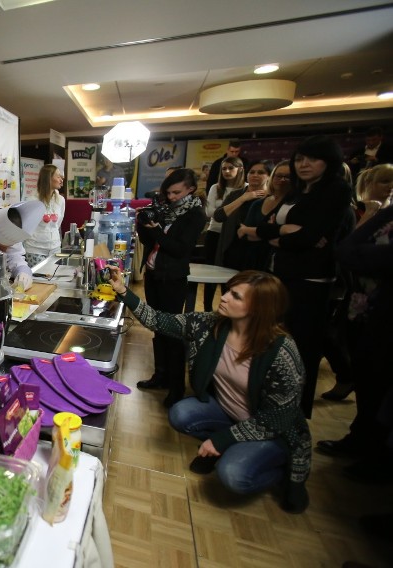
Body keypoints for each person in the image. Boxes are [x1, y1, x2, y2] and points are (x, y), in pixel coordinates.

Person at [107, 267, 311, 513]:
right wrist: (122, 291)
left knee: (233, 475)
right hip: (229, 413)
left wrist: (223, 439)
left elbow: (279, 417)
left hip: (272, 430)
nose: (223, 297)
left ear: (260, 309)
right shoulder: (210, 324)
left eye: (236, 296)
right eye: (228, 292)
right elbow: (161, 321)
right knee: (181, 414)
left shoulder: (281, 351)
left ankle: (282, 471)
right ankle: (230, 444)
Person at [252, 135, 353, 418]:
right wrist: (284, 232)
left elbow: (309, 238)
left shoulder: (336, 190)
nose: (304, 164)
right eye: (299, 159)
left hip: (311, 282)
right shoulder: (297, 191)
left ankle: (295, 415)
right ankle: (267, 406)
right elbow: (264, 228)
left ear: (328, 162)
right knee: (271, 344)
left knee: (301, 350)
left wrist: (282, 234)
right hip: (280, 274)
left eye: (312, 159)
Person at [316, 205, 393, 486]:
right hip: (363, 309)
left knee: (383, 389)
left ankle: (379, 457)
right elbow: (347, 252)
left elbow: (352, 252)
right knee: (368, 381)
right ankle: (361, 440)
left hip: (383, 316)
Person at [134, 168, 207, 407]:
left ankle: (177, 388)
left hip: (173, 279)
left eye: (176, 192)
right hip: (154, 275)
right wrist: (144, 226)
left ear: (190, 190)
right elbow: (150, 242)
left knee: (173, 333)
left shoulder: (195, 214)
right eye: (168, 192)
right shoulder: (165, 210)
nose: (172, 196)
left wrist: (156, 230)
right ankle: (160, 376)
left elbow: (179, 249)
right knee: (157, 328)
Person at [201, 156, 246, 308]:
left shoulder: (245, 189)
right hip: (214, 232)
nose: (227, 171)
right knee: (210, 273)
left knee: (229, 274)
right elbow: (211, 212)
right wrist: (227, 211)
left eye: (230, 168)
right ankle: (207, 307)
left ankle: (226, 305)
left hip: (233, 235)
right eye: (224, 168)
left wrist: (224, 211)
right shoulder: (216, 187)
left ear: (240, 169)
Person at [213, 160, 270, 271]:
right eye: (252, 172)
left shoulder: (271, 197)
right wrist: (243, 198)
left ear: (269, 176)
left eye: (260, 172)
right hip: (232, 246)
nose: (255, 175)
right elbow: (218, 216)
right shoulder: (236, 194)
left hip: (258, 250)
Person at [238, 160, 291, 271]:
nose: (282, 180)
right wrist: (270, 232)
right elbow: (243, 234)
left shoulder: (294, 204)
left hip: (281, 262)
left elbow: (292, 237)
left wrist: (249, 230)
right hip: (253, 259)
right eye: (279, 176)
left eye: (288, 177)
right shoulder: (258, 203)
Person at [23, 165, 65, 267]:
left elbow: (58, 224)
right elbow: (26, 227)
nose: (61, 179)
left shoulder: (61, 200)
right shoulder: (32, 200)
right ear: (49, 178)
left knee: (54, 281)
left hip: (55, 249)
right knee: (39, 281)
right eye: (58, 176)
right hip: (35, 249)